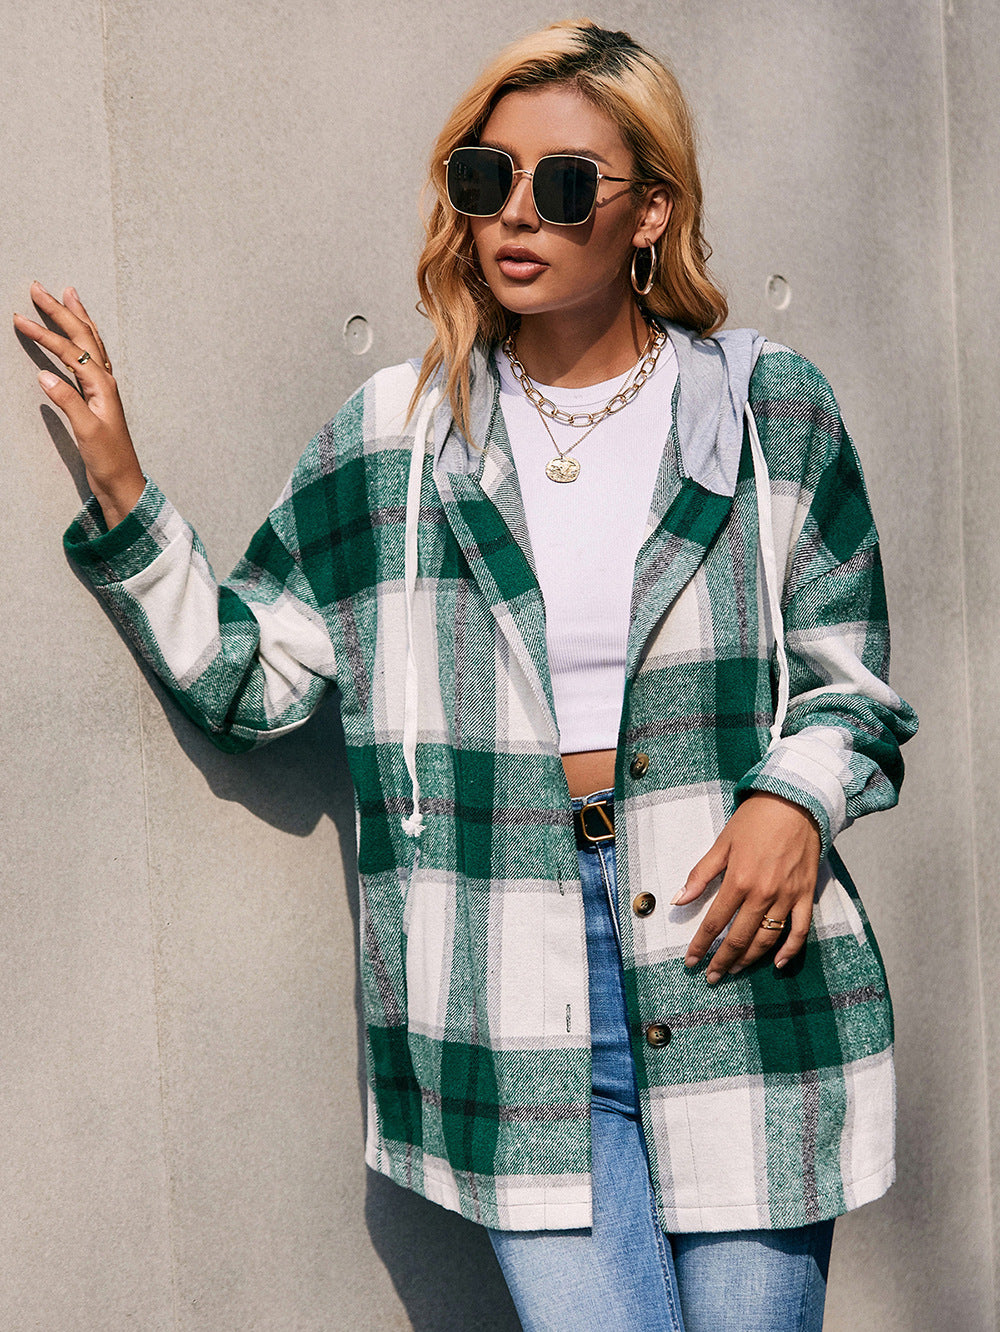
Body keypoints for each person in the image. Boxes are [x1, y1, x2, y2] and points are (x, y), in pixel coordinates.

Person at [14, 19, 917, 1332]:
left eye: (566, 184)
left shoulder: (762, 408)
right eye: (487, 178)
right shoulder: (399, 436)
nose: (517, 214)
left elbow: (851, 676)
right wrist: (122, 491)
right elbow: (256, 679)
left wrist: (796, 798)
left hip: (738, 959)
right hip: (507, 985)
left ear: (651, 211)